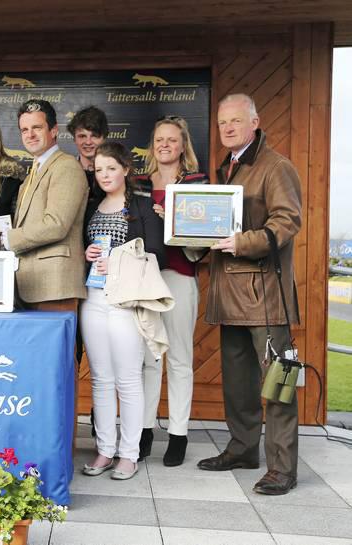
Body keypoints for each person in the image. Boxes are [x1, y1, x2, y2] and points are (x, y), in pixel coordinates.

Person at [197, 94, 302, 496]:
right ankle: (243, 450)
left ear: (254, 122)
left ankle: (282, 468)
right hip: (230, 294)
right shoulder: (228, 167)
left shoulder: (276, 166)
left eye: (235, 121)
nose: (227, 128)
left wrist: (242, 242)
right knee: (239, 383)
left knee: (278, 383)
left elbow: (287, 222)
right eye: (222, 122)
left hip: (265, 295)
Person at [80, 142, 165, 481]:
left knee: (128, 379)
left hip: (126, 300)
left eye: (111, 168)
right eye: (99, 169)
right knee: (101, 379)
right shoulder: (91, 207)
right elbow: (80, 245)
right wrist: (87, 252)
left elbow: (156, 252)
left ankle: (129, 454)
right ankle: (105, 450)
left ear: (126, 170)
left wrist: (114, 259)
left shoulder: (142, 206)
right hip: (93, 298)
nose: (104, 175)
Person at [137, 116, 208, 467]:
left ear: (183, 146)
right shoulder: (138, 183)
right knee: (149, 360)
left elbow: (206, 235)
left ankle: (178, 434)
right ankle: (144, 431)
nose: (164, 145)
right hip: (145, 279)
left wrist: (173, 222)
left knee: (179, 359)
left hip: (180, 274)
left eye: (172, 140)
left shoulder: (196, 183)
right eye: (159, 139)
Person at [0, 99, 87, 312]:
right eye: (24, 130)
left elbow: (56, 224)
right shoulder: (32, 173)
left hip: (55, 285)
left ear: (54, 130)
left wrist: (3, 238)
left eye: (37, 127)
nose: (30, 135)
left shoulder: (66, 166)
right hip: (29, 284)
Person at [67, 106, 109, 202]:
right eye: (82, 136)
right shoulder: (66, 171)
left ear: (104, 138)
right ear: (74, 139)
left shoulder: (116, 173)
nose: (88, 142)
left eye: (94, 136)